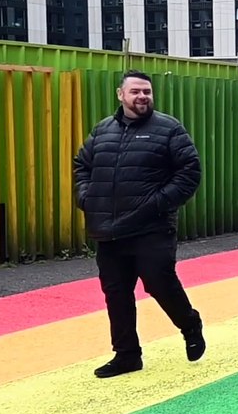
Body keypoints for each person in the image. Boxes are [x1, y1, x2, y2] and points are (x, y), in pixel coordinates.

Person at [73, 70, 206, 378]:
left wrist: (158, 204)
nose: (142, 96)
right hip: (108, 230)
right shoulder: (102, 130)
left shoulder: (168, 128)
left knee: (159, 283)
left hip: (152, 227)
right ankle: (127, 355)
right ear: (121, 95)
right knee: (116, 293)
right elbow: (82, 165)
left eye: (146, 91)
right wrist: (87, 198)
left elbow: (189, 172)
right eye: (135, 91)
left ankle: (190, 324)